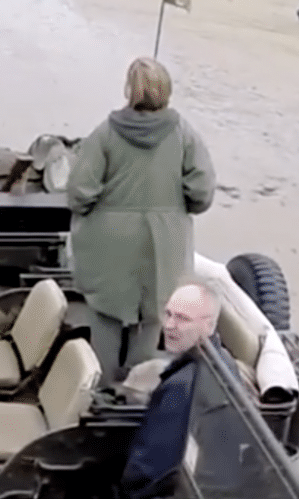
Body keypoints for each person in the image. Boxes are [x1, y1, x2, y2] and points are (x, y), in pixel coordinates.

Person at [68, 57, 217, 382]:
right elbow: (202, 193)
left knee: (105, 320)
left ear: (129, 90)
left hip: (108, 248)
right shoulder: (184, 135)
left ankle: (100, 394)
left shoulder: (105, 134)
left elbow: (79, 192)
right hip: (163, 247)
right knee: (155, 318)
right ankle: (139, 393)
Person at [119, 279, 221, 499]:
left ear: (209, 326)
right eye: (168, 314)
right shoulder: (220, 362)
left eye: (182, 319)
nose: (169, 325)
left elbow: (148, 470)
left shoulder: (180, 389)